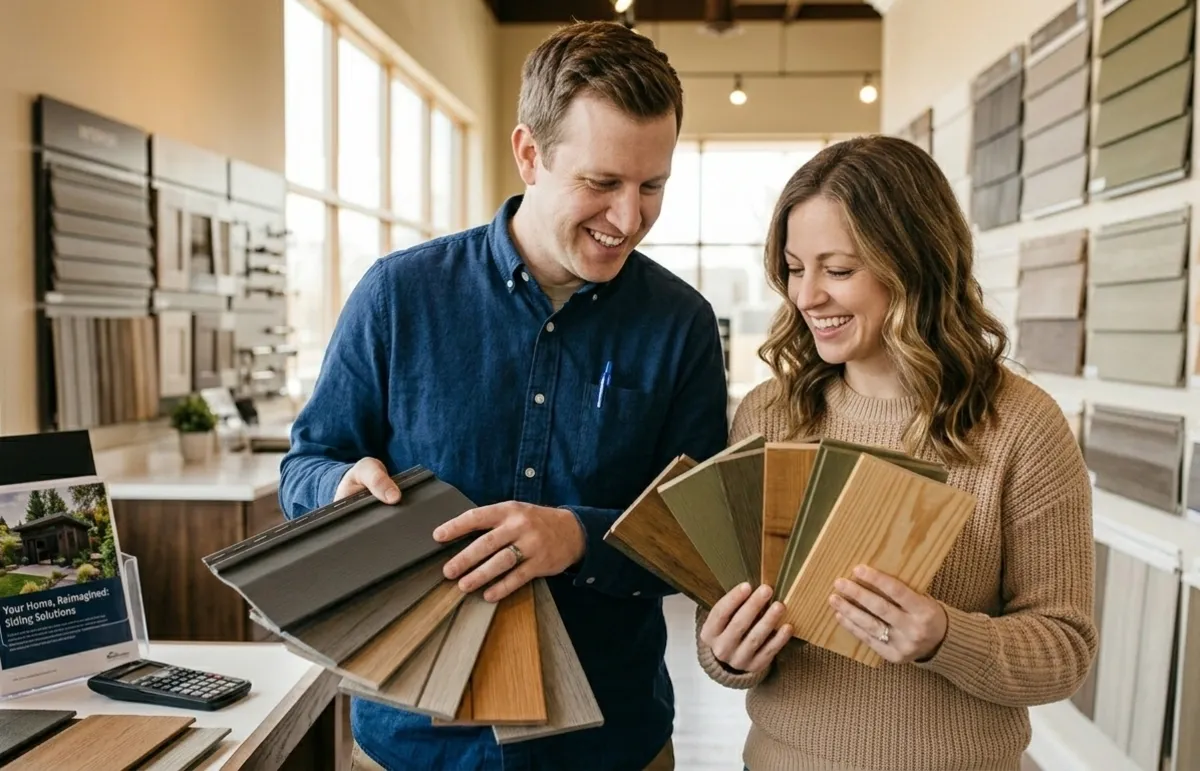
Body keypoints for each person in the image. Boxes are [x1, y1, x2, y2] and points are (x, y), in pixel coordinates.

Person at [278, 20, 729, 771]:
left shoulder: (681, 324)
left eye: (652, 186)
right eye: (601, 183)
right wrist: (338, 487)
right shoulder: (397, 295)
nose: (629, 219)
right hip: (412, 743)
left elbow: (701, 539)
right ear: (529, 154)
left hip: (609, 745)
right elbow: (305, 466)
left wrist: (577, 537)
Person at [694, 135, 1097, 771]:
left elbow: (1065, 651)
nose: (806, 297)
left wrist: (944, 636)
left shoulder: (1022, 426)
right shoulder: (769, 415)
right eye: (795, 269)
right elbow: (718, 616)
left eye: (839, 270)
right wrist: (727, 652)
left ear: (914, 264)